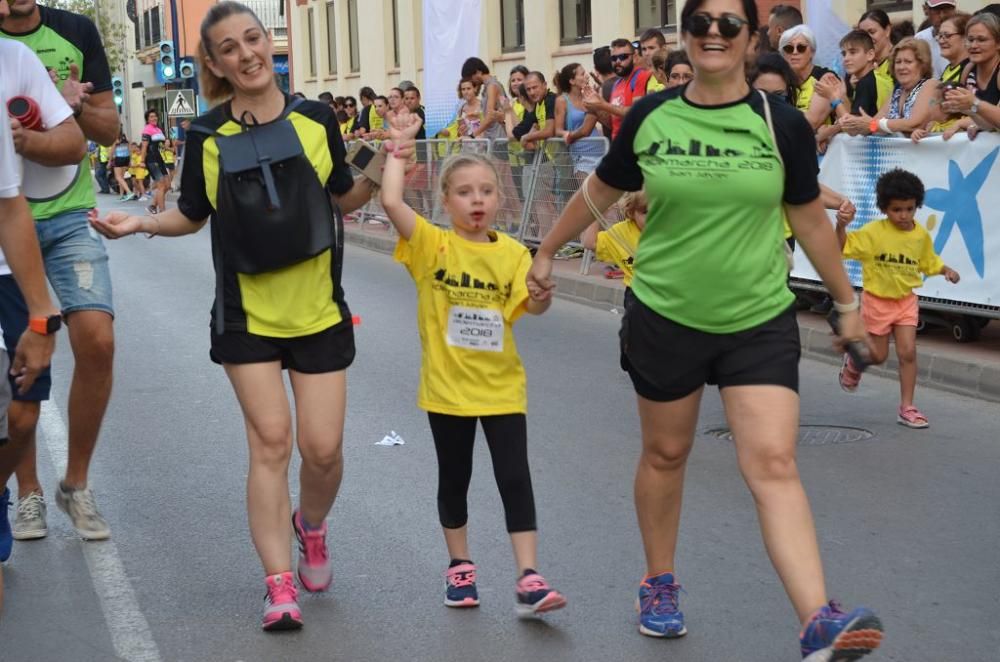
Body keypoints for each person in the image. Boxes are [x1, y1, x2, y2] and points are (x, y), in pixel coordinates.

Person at [527, 1, 884, 658]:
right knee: (666, 455)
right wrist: (546, 252)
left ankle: (817, 620)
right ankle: (658, 581)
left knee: (773, 462)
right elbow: (598, 194)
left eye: (729, 23)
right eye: (701, 21)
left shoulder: (779, 124)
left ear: (751, 38)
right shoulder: (652, 116)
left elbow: (806, 219)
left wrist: (847, 303)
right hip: (666, 314)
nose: (714, 33)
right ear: (686, 35)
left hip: (757, 318)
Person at [90, 0, 383, 631]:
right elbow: (191, 213)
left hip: (318, 309)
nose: (247, 53)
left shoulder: (314, 118)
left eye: (253, 39)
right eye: (230, 47)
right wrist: (141, 221)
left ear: (266, 46)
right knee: (272, 442)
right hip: (246, 314)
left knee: (323, 451)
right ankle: (279, 586)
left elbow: (346, 198)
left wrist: (386, 163)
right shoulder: (206, 134)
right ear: (216, 62)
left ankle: (311, 527)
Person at [379, 109, 567, 618]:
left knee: (515, 478)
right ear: (446, 201)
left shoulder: (512, 254)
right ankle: (460, 568)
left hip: (502, 387)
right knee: (454, 477)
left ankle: (529, 576)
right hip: (447, 390)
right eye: (464, 192)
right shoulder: (432, 246)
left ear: (499, 197)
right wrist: (400, 147)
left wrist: (543, 292)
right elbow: (391, 200)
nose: (477, 200)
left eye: (486, 190)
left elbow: (535, 304)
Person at [1, 0, 119, 543]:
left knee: (97, 339)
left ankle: (75, 483)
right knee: (20, 367)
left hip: (69, 216)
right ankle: (28, 495)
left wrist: (73, 108)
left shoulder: (74, 31)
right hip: (8, 226)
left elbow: (108, 132)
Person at [0, 83, 61, 617]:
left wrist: (41, 314)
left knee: (18, 412)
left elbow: (9, 207)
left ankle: (7, 486)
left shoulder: (9, 64)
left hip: (5, 276)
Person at [836, 169, 959, 428]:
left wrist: (945, 270)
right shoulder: (873, 232)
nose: (903, 216)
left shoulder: (919, 235)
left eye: (909, 209)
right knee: (879, 356)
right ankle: (854, 362)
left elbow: (928, 261)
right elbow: (842, 247)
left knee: (908, 352)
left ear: (917, 206)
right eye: (896, 210)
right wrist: (841, 225)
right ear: (884, 208)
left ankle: (907, 407)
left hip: (905, 301)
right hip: (877, 301)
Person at [840, 37, 939, 138]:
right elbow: (872, 126)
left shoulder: (930, 84)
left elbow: (915, 123)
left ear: (922, 65)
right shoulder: (898, 91)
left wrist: (874, 124)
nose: (901, 67)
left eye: (908, 62)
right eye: (898, 62)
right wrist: (852, 123)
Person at [940, 12, 1000, 133]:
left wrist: (974, 103)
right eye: (970, 39)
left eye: (981, 40)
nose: (973, 45)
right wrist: (966, 110)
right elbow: (988, 123)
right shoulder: (968, 70)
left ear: (998, 43)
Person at [581, 189, 645, 301]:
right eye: (645, 211)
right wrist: (597, 213)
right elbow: (590, 243)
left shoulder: (672, 230)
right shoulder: (622, 231)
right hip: (637, 296)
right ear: (632, 211)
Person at [585, 38, 654, 139]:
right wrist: (597, 107)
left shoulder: (641, 76)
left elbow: (635, 112)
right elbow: (612, 124)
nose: (618, 61)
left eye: (623, 57)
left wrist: (603, 105)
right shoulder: (617, 84)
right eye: (613, 58)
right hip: (618, 146)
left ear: (634, 57)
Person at [779, 25, 837, 130]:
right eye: (789, 48)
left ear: (812, 52)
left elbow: (812, 122)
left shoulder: (825, 77)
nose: (795, 52)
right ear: (783, 54)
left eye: (801, 48)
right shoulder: (781, 81)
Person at [554, 63, 603, 178]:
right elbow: (558, 130)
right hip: (581, 155)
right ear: (572, 81)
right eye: (582, 74)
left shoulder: (588, 96)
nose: (587, 76)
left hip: (600, 151)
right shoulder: (562, 100)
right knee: (586, 194)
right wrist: (568, 134)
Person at [461, 57, 508, 140]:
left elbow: (491, 116)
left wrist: (472, 136)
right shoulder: (489, 86)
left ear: (478, 72)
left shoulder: (492, 86)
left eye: (471, 78)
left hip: (497, 138)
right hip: (492, 137)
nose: (472, 81)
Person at [859, 9, 896, 107]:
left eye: (872, 32)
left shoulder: (899, 62)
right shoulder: (859, 64)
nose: (867, 38)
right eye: (863, 34)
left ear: (887, 30)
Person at [915, 0, 957, 78]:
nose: (942, 16)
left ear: (954, 10)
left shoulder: (965, 36)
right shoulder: (920, 38)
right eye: (936, 10)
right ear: (926, 10)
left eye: (946, 10)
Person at [140, 108, 169, 215]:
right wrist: (142, 161)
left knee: (167, 185)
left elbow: (161, 144)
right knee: (161, 185)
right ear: (147, 119)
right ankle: (162, 212)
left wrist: (166, 143)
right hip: (151, 159)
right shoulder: (147, 129)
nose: (154, 118)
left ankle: (152, 206)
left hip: (159, 158)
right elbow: (144, 146)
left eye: (155, 116)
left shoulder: (158, 129)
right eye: (151, 117)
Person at [110, 132, 134, 200]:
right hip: (126, 158)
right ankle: (121, 195)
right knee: (122, 178)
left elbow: (112, 151)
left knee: (118, 177)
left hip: (119, 158)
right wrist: (130, 160)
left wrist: (109, 161)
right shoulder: (127, 141)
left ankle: (129, 192)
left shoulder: (116, 141)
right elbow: (130, 150)